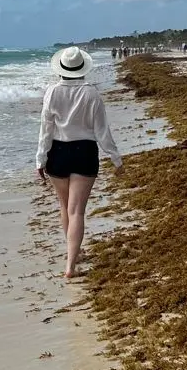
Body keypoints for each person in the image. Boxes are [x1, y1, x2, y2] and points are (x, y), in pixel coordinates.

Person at [36, 47, 123, 278]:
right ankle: (71, 265)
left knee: (65, 207)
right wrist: (115, 159)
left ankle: (73, 255)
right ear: (81, 68)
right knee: (77, 212)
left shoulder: (52, 92)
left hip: (58, 152)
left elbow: (46, 129)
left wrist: (40, 158)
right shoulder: (91, 94)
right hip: (84, 151)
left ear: (61, 69)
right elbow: (102, 131)